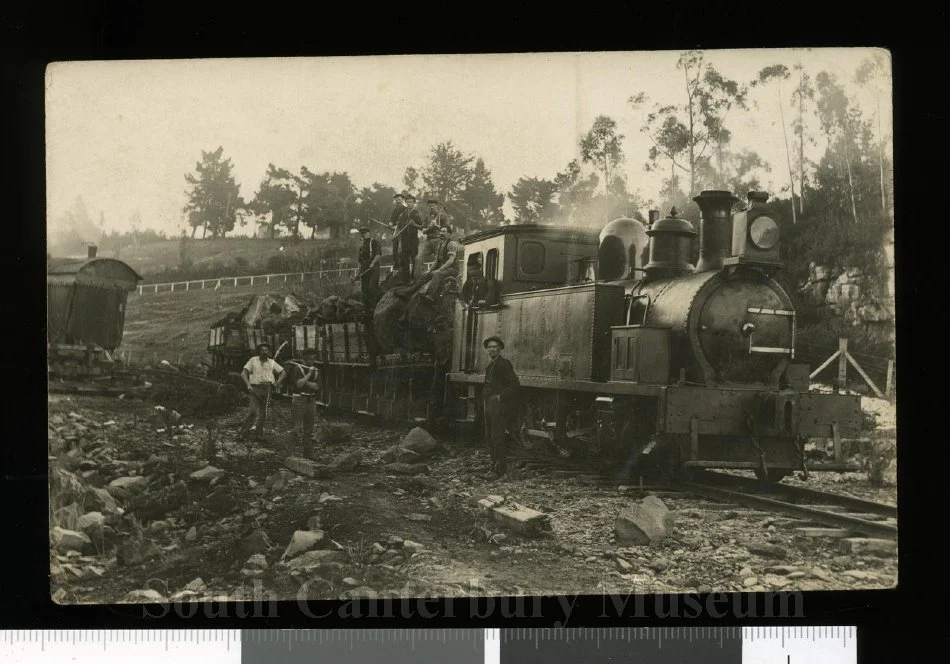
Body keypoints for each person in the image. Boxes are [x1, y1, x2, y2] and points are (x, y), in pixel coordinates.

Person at [482, 336, 520, 478]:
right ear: (487, 350)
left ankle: (499, 469)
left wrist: (500, 397)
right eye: (489, 347)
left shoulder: (504, 364)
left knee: (497, 436)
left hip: (497, 405)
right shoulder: (491, 365)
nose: (492, 349)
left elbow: (514, 384)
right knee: (489, 436)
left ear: (500, 349)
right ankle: (493, 466)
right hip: (489, 404)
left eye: (494, 347)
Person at [238, 342, 286, 443]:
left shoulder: (272, 362)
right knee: (252, 412)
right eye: (262, 350)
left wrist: (276, 383)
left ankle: (259, 435)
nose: (264, 352)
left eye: (266, 350)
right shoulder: (253, 360)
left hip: (268, 388)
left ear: (269, 352)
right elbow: (243, 374)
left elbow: (283, 373)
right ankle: (243, 433)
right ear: (259, 351)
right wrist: (248, 385)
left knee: (263, 413)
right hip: (255, 388)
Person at [288, 363, 321, 459]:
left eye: (313, 357)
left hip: (311, 401)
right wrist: (309, 375)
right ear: (304, 358)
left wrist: (305, 381)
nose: (311, 360)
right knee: (295, 428)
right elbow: (298, 385)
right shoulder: (297, 369)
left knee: (309, 430)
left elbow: (317, 387)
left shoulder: (317, 370)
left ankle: (307, 454)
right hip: (299, 400)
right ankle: (291, 454)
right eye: (308, 357)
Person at [424, 225, 462, 303]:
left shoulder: (451, 244)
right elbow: (437, 261)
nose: (441, 233)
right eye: (441, 231)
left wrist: (439, 270)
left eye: (444, 231)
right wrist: (429, 271)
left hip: (452, 269)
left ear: (449, 234)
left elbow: (451, 260)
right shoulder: (441, 244)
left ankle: (430, 295)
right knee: (427, 275)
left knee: (437, 275)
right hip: (444, 268)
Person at [354, 226, 382, 310]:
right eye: (362, 233)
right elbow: (360, 262)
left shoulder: (374, 242)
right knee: (364, 290)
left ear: (369, 233)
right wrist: (358, 273)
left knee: (372, 288)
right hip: (364, 270)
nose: (364, 235)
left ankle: (376, 308)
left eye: (365, 233)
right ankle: (366, 310)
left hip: (373, 269)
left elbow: (378, 255)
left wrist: (373, 263)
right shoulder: (362, 247)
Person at [403, 194, 425, 279]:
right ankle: (406, 278)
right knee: (404, 259)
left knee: (414, 258)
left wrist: (414, 224)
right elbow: (399, 225)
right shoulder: (404, 214)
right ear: (405, 203)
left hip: (413, 239)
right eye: (407, 202)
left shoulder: (416, 213)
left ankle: (414, 277)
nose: (409, 204)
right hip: (404, 239)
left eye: (411, 202)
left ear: (414, 203)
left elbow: (422, 226)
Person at [420, 198, 448, 265]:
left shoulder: (442, 215)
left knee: (438, 258)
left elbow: (447, 229)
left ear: (436, 206)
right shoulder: (427, 216)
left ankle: (437, 274)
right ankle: (421, 275)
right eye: (430, 206)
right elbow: (423, 231)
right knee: (418, 258)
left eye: (433, 205)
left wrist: (436, 225)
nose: (431, 207)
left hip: (439, 239)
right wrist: (428, 228)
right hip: (428, 240)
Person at [388, 191, 409, 274]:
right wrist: (390, 224)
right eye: (396, 200)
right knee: (395, 251)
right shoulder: (395, 210)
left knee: (401, 251)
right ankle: (396, 267)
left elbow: (405, 222)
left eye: (399, 199)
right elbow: (391, 220)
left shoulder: (405, 210)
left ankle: (403, 268)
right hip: (396, 233)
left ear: (403, 200)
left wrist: (397, 226)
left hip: (404, 234)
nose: (398, 201)